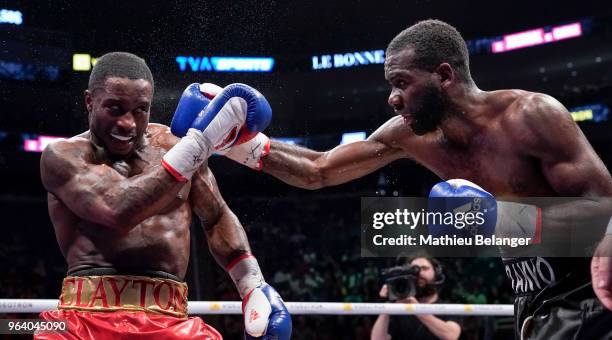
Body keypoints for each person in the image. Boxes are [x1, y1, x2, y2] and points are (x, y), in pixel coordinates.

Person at [215, 20, 612, 338]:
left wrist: (502, 221)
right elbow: (320, 170)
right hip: (532, 298)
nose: (391, 97)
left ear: (444, 75)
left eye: (402, 82)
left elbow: (605, 213)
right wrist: (239, 143)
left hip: (591, 294)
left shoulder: (531, 116)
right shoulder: (409, 135)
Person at [37, 52, 291, 339]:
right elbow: (118, 210)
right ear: (89, 101)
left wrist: (251, 284)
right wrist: (198, 144)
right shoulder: (62, 156)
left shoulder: (174, 145)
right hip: (81, 321)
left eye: (140, 110)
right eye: (115, 108)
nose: (127, 123)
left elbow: (216, 215)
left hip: (171, 319)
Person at [371, 257, 461, 340]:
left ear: (436, 273)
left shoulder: (449, 307)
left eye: (424, 268)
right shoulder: (397, 309)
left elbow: (451, 335)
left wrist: (416, 309)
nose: (419, 273)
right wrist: (388, 305)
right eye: (413, 270)